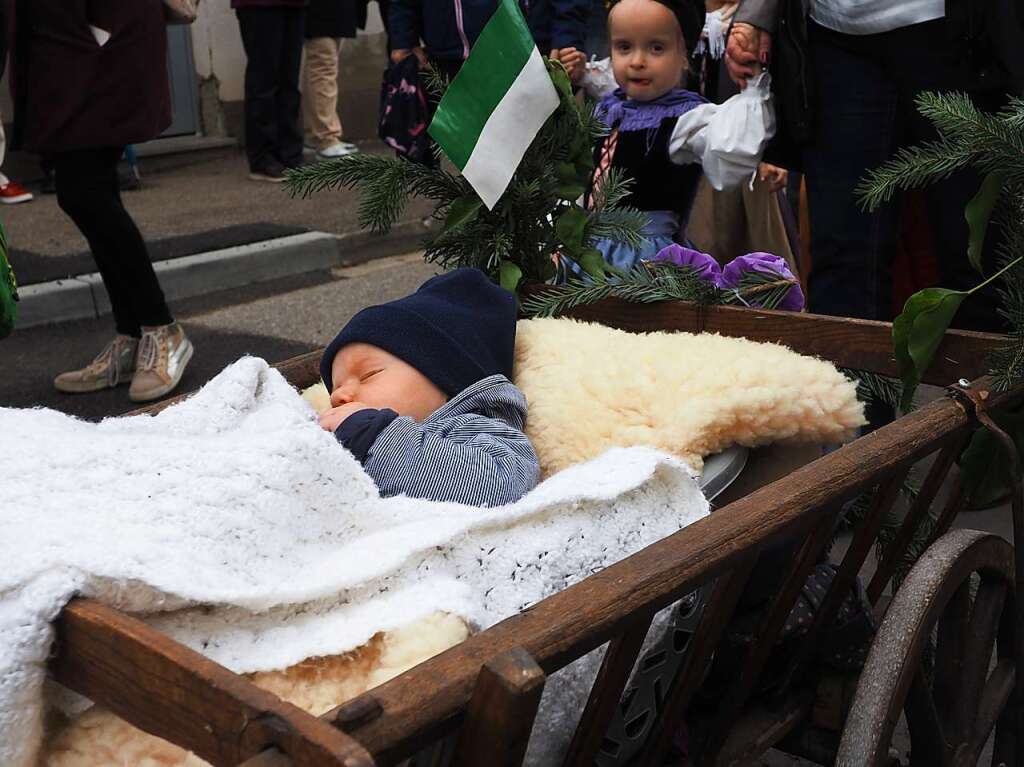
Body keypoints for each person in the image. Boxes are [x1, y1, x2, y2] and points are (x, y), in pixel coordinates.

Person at [724, 0, 1024, 331]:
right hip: (834, 34)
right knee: (841, 253)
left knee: (979, 247)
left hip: (956, 31)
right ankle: (848, 379)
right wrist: (755, 17)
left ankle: (983, 378)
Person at [11, 0, 194, 402]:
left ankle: (162, 328)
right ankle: (133, 333)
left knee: (84, 191)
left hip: (100, 45)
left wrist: (102, 30)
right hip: (67, 49)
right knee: (85, 192)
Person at [561, 0, 774, 272]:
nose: (638, 62)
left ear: (684, 54)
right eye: (624, 47)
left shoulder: (685, 120)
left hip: (646, 259)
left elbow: (731, 147)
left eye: (656, 48)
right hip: (587, 254)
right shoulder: (607, 111)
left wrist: (755, 90)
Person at [317, 267, 540, 506]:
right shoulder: (343, 440)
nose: (339, 394)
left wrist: (375, 439)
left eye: (369, 374)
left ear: (446, 378)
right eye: (335, 387)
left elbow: (501, 487)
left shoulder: (475, 429)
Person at [386, 0, 588, 164]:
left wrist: (567, 37)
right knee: (468, 154)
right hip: (448, 55)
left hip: (523, 49)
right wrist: (403, 38)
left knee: (533, 152)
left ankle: (537, 210)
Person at [234, 0, 308, 182]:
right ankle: (262, 158)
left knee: (289, 80)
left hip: (293, 5)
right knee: (264, 79)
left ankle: (291, 154)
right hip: (259, 5)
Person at [303, 0, 360, 159]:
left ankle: (314, 134)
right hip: (320, 10)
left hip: (335, 10)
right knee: (323, 66)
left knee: (320, 67)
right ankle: (326, 137)